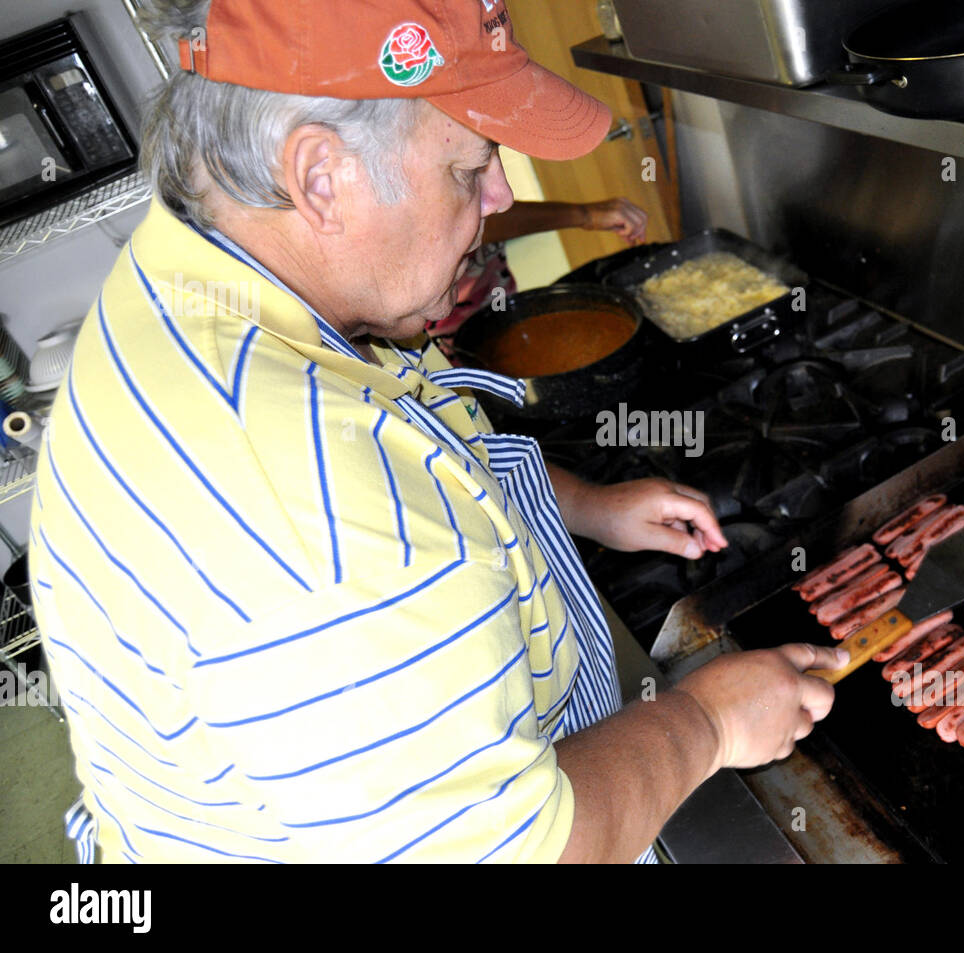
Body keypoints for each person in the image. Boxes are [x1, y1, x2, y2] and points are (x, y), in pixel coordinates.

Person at [29, 0, 843, 864]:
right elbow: (524, 855)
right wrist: (707, 722)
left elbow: (419, 425)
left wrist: (586, 505)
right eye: (470, 169)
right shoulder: (315, 521)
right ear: (320, 177)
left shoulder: (204, 272)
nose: (501, 199)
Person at [431, 197, 649, 342]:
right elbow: (460, 225)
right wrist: (584, 215)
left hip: (495, 304)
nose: (503, 195)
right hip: (453, 344)